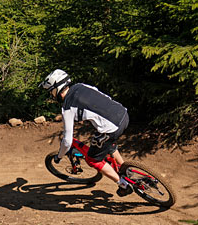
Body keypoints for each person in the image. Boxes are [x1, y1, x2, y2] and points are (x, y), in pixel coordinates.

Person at [39, 69, 133, 197]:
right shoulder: (81, 85)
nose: (51, 94)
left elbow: (67, 141)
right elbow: (102, 96)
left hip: (111, 127)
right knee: (107, 142)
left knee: (92, 160)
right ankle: (126, 169)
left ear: (56, 88)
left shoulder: (67, 107)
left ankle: (123, 185)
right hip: (123, 114)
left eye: (51, 91)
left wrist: (59, 157)